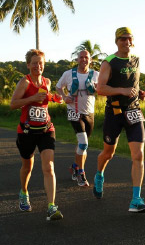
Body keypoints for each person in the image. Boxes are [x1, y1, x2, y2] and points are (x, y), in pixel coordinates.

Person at [93, 27, 145, 213]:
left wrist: (140, 93)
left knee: (138, 155)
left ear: (133, 41)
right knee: (108, 153)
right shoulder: (109, 62)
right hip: (115, 112)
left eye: (129, 39)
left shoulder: (136, 60)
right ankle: (100, 175)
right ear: (116, 41)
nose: (126, 42)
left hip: (134, 111)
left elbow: (133, 83)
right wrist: (122, 91)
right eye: (122, 39)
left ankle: (136, 199)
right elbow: (101, 89)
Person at [10, 49, 63, 221]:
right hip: (27, 131)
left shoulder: (47, 81)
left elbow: (46, 100)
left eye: (40, 63)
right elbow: (13, 104)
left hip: (46, 129)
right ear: (28, 65)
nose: (37, 66)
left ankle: (51, 206)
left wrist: (56, 98)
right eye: (34, 63)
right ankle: (24, 192)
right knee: (28, 167)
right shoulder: (24, 82)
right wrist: (32, 98)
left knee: (49, 166)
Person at [56, 50, 99, 187]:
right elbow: (58, 87)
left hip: (89, 113)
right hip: (73, 111)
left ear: (90, 60)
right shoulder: (68, 74)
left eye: (86, 57)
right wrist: (64, 97)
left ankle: (75, 166)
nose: (84, 59)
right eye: (81, 57)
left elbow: (102, 89)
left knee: (83, 146)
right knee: (83, 143)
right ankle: (81, 173)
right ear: (77, 59)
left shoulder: (96, 75)